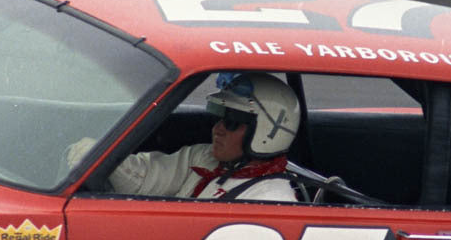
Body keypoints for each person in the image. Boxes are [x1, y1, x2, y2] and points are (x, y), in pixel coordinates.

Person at [68, 72, 301, 201]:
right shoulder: (204, 157)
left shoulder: (271, 199)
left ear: (268, 132)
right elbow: (144, 178)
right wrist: (98, 155)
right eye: (219, 117)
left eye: (232, 122)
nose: (217, 129)